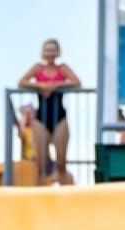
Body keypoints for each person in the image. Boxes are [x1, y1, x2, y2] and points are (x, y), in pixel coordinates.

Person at [18, 38, 81, 186]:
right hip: (41, 118)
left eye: (53, 49)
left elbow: (77, 82)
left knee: (61, 161)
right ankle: (40, 192)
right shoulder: (38, 68)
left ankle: (64, 192)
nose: (50, 52)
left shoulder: (63, 69)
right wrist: (41, 85)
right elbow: (22, 82)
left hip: (59, 117)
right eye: (47, 49)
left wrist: (57, 85)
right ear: (43, 52)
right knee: (41, 162)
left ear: (57, 52)